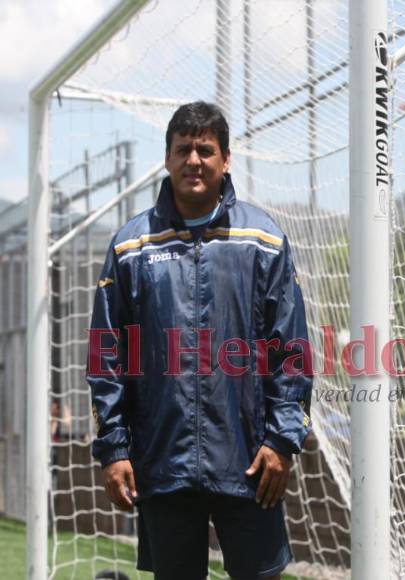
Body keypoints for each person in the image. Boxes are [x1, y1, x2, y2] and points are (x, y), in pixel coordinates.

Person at [87, 101, 312, 580]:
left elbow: (290, 350)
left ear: (225, 159)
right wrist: (114, 448)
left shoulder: (263, 240)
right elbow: (107, 356)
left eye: (205, 150)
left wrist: (281, 441)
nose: (194, 160)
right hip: (162, 462)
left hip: (251, 461)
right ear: (167, 158)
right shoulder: (131, 247)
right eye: (183, 149)